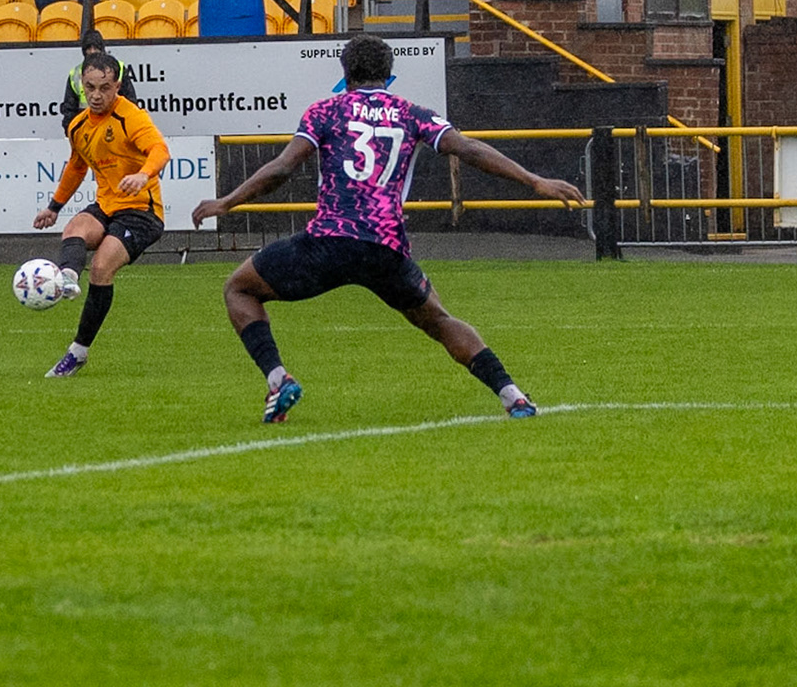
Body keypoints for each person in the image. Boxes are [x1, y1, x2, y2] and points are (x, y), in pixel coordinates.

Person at [192, 34, 584, 423]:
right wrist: (534, 180)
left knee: (239, 288)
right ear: (389, 74)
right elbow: (468, 149)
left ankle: (279, 381)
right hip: (385, 246)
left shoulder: (326, 111)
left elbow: (281, 168)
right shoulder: (413, 113)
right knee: (439, 321)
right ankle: (512, 396)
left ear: (345, 73)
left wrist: (226, 202)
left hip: (329, 242)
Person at [32, 50, 169, 378]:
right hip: (107, 206)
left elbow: (160, 150)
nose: (96, 95)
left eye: (104, 88)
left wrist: (143, 175)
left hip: (141, 211)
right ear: (82, 84)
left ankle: (78, 352)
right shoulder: (78, 126)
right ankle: (66, 278)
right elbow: (77, 165)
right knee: (75, 227)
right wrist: (54, 207)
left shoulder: (130, 116)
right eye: (90, 87)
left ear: (117, 86)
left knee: (101, 266)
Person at [57, 28, 134, 130]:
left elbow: (130, 101)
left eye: (95, 48)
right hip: (87, 129)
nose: (92, 52)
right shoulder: (75, 73)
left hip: (114, 126)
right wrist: (71, 131)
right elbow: (69, 109)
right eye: (88, 48)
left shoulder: (118, 68)